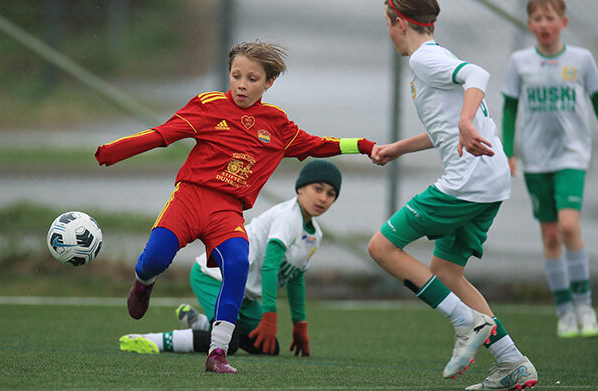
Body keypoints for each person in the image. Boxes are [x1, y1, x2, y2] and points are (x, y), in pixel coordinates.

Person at [95, 41, 377, 373]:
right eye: (236, 75)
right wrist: (112, 151)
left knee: (238, 263)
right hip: (190, 198)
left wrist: (363, 145)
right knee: (155, 258)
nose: (242, 84)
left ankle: (217, 353)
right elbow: (163, 134)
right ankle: (143, 283)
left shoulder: (277, 124)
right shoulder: (209, 105)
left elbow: (317, 144)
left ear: (268, 83)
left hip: (226, 210)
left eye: (252, 78)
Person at [368, 1, 538, 389]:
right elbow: (447, 128)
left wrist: (464, 120)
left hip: (468, 182)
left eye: (387, 24)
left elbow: (477, 74)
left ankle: (466, 322)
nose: (388, 31)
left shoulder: (424, 58)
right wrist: (399, 147)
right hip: (490, 182)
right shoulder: (436, 57)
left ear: (399, 24)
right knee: (446, 272)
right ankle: (513, 363)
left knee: (382, 247)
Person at [118, 160, 341, 358]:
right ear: (301, 188)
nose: (322, 198)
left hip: (245, 295)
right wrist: (270, 315)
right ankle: (154, 340)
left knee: (267, 348)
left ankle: (202, 323)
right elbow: (271, 266)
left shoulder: (315, 235)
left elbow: (295, 279)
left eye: (331, 194)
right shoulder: (287, 217)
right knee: (230, 342)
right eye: (317, 188)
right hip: (213, 277)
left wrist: (299, 324)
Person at [501, 0, 598, 339]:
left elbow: (596, 101)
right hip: (537, 161)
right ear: (529, 23)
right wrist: (509, 151)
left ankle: (585, 306)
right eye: (537, 18)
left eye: (550, 17)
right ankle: (564, 312)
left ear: (563, 21)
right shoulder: (520, 62)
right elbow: (510, 109)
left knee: (570, 226)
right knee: (551, 235)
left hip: (572, 156)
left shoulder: (582, 60)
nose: (544, 23)